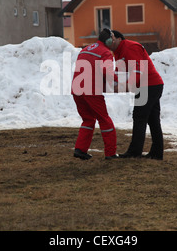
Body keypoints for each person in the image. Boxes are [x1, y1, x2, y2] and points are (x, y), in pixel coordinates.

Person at [107, 30, 165, 160]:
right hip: (149, 85)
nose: (109, 42)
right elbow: (120, 73)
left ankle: (135, 152)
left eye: (111, 38)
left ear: (118, 38)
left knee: (139, 117)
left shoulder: (130, 47)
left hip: (149, 85)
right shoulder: (118, 52)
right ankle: (156, 153)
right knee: (153, 120)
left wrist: (125, 86)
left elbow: (138, 71)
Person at [71, 29, 119, 160]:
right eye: (113, 38)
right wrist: (117, 80)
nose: (114, 41)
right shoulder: (105, 52)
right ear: (108, 40)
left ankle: (80, 150)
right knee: (104, 120)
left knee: (88, 119)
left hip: (76, 89)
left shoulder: (86, 49)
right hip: (90, 90)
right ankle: (110, 153)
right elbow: (107, 71)